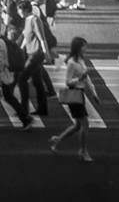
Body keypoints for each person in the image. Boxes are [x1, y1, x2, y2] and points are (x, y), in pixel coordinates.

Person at [49, 35, 95, 163]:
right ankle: (83, 150)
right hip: (74, 93)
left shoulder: (81, 60)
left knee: (77, 125)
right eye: (84, 46)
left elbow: (87, 78)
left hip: (79, 93)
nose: (86, 48)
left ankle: (57, 140)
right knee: (85, 124)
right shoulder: (72, 62)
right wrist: (79, 79)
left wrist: (94, 93)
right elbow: (68, 82)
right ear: (78, 48)